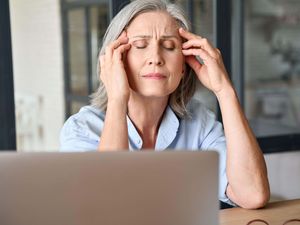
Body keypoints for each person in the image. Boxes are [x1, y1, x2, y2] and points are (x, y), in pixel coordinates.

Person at [60, 0, 270, 209]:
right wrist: (117, 99)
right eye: (141, 46)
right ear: (117, 60)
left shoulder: (198, 123)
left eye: (169, 46)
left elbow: (253, 194)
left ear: (183, 66)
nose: (155, 58)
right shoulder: (82, 130)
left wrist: (225, 91)